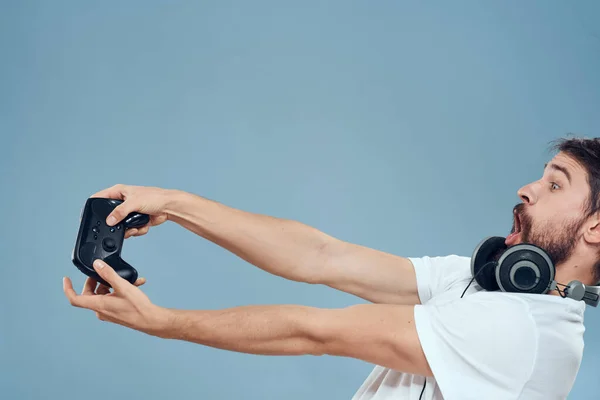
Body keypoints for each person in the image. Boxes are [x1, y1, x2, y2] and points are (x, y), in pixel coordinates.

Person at [63, 136, 599, 399]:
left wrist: (167, 324)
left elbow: (316, 330)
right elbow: (322, 256)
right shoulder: (482, 285)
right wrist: (175, 203)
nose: (526, 189)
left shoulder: (521, 331)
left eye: (555, 185)